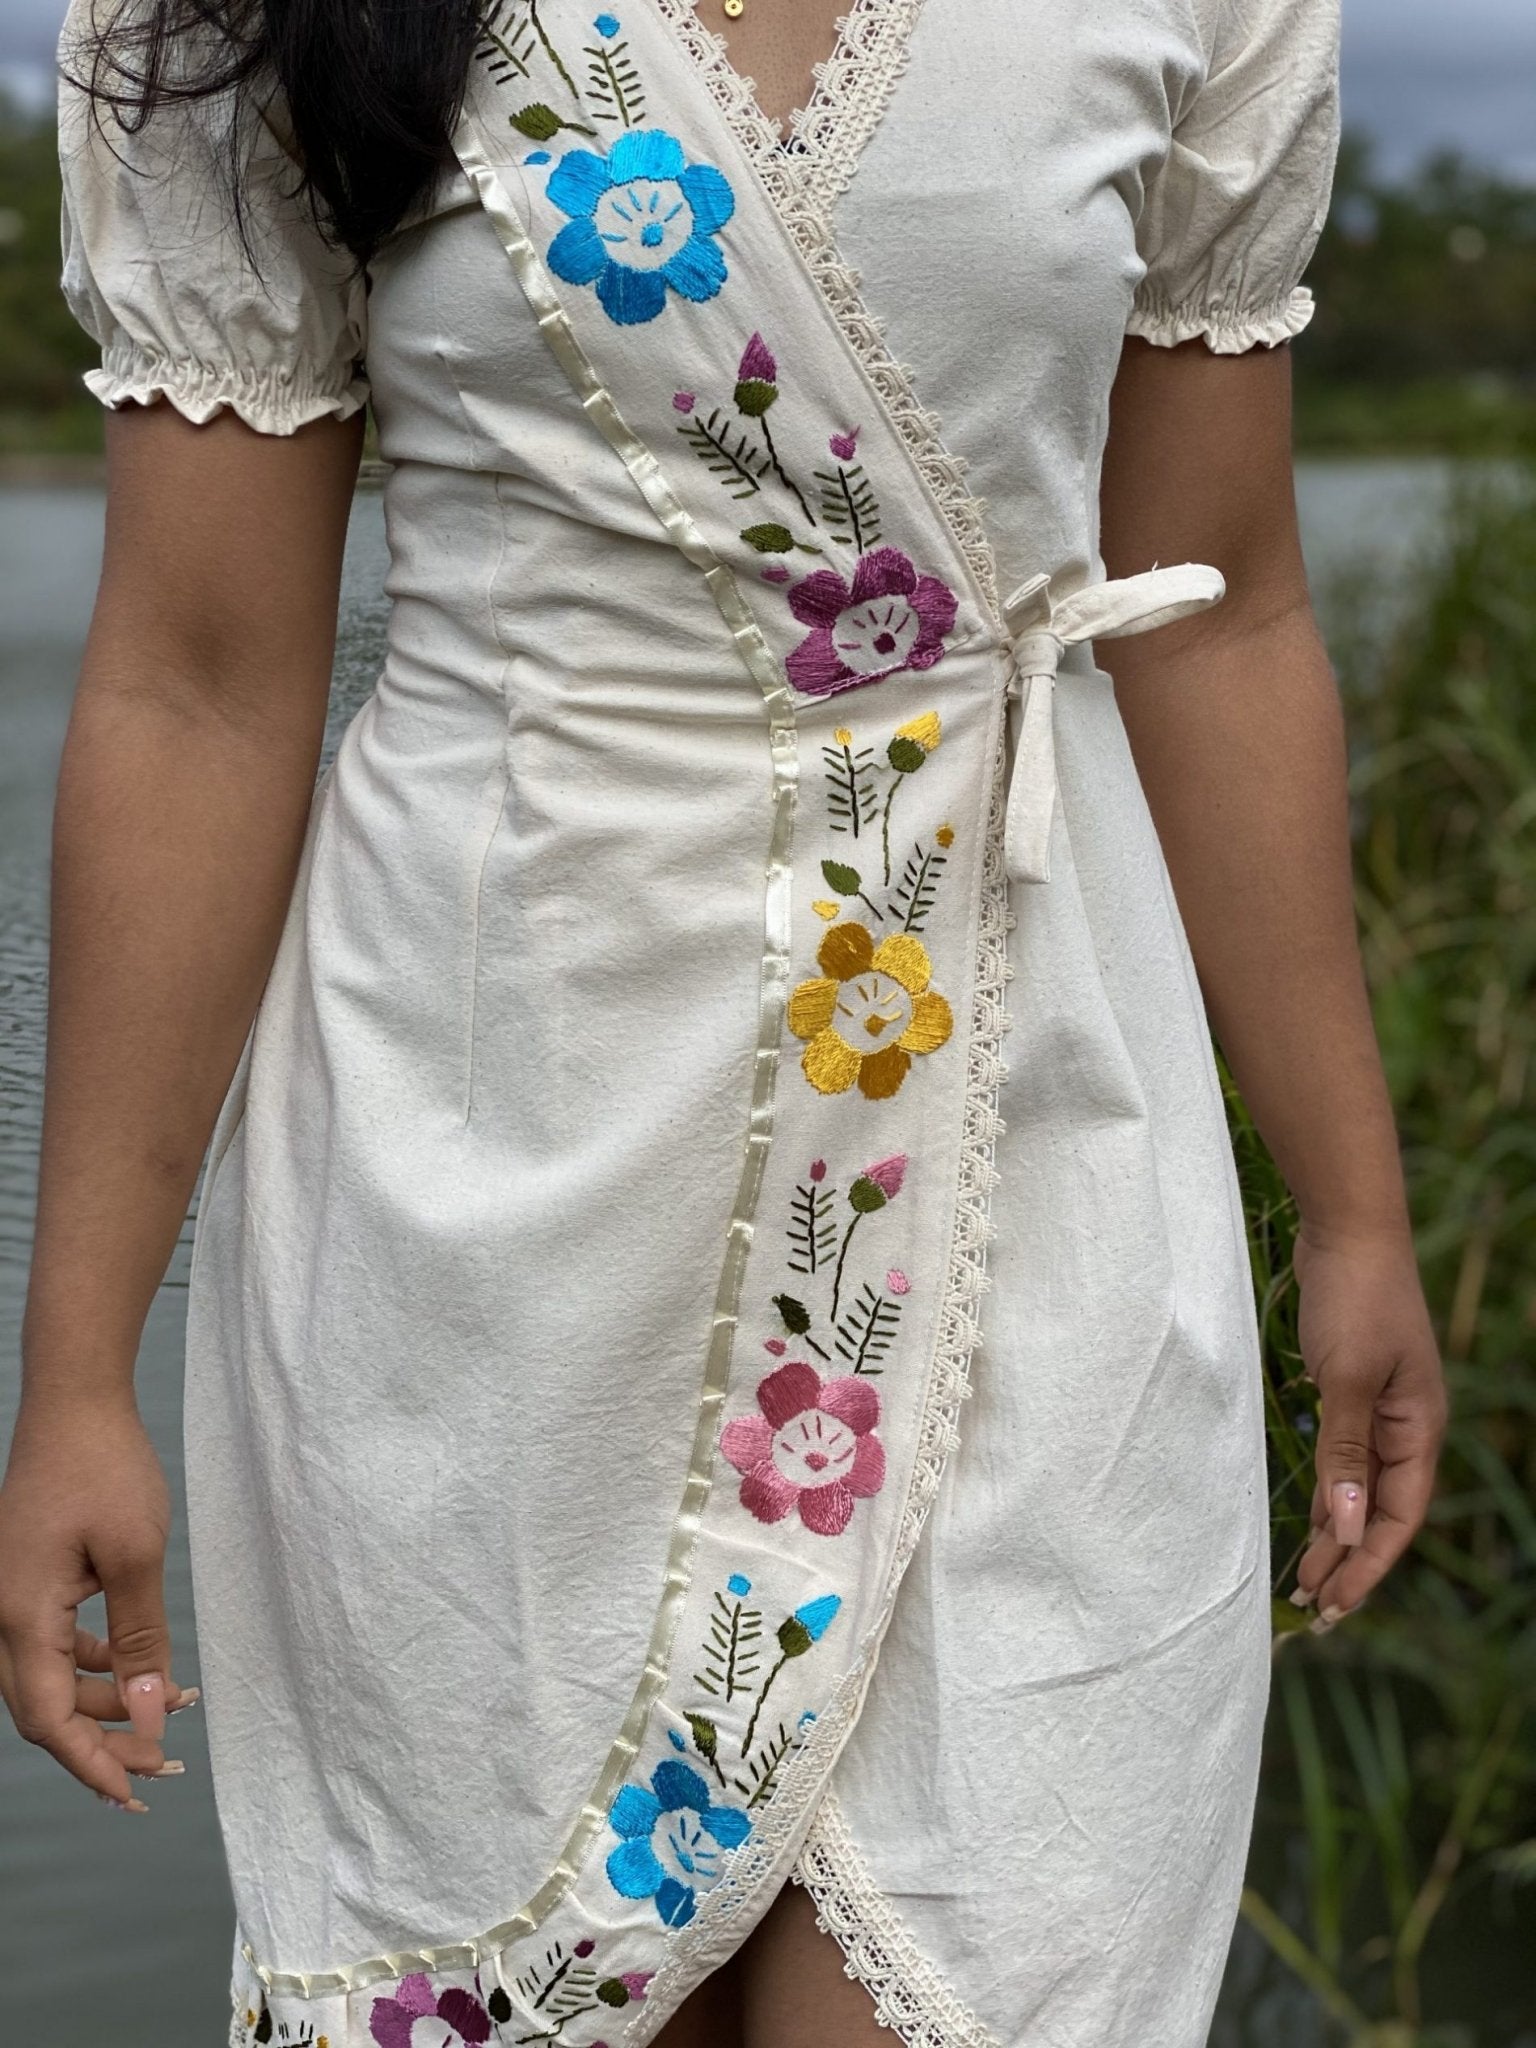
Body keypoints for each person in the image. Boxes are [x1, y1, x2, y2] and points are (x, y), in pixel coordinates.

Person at [0, 0, 1447, 2042]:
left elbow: (1230, 611)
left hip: (1046, 1145)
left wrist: (1359, 1210)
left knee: (1012, 1939)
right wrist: (76, 1369)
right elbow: (197, 685)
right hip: (488, 1183)